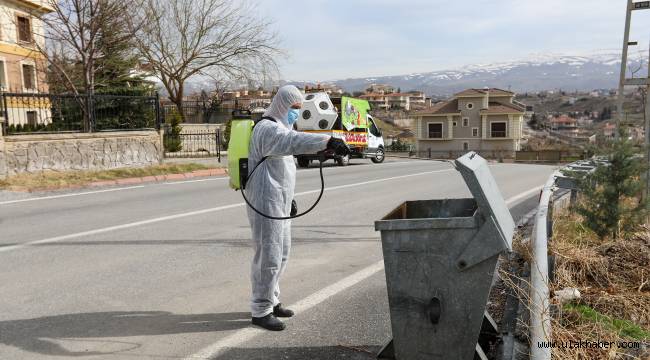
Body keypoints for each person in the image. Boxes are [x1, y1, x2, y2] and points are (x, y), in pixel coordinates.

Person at [246, 85, 349, 331]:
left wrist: (288, 198)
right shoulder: (267, 129)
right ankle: (260, 310)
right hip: (265, 201)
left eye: (299, 109)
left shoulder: (281, 127)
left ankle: (272, 299)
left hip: (278, 199)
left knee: (281, 252)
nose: (296, 113)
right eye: (294, 108)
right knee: (268, 255)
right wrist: (328, 140)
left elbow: (282, 167)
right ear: (282, 105)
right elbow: (291, 142)